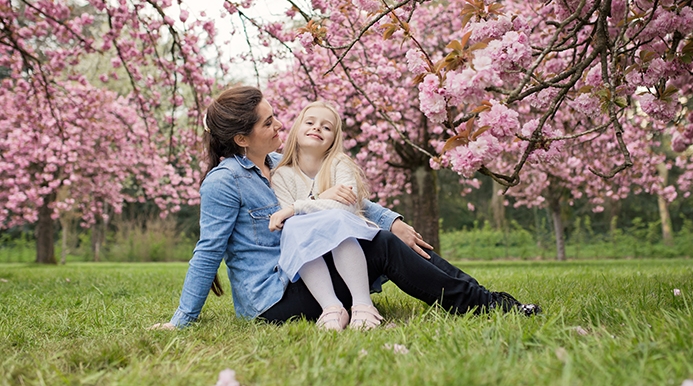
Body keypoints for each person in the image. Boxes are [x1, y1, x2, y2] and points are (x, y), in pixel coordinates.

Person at [152, 85, 539, 331]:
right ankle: (486, 305)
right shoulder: (224, 182)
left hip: (309, 273)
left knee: (390, 238)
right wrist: (180, 321)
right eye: (268, 122)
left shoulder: (276, 166)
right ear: (241, 137)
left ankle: (487, 299)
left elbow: (336, 197)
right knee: (384, 247)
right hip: (273, 299)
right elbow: (207, 252)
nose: (279, 125)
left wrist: (394, 220)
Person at [269, 101, 384, 331]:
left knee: (336, 221)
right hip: (311, 259)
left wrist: (297, 207)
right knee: (295, 227)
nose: (317, 128)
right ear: (296, 130)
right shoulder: (281, 175)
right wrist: (320, 199)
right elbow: (290, 221)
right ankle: (332, 307)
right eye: (310, 122)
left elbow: (346, 208)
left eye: (326, 127)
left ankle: (363, 304)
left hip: (349, 248)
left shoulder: (339, 164)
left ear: (334, 138)